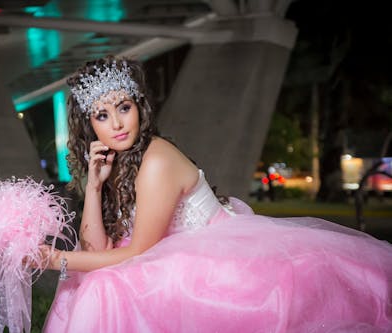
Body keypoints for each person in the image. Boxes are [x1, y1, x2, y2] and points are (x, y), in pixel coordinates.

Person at [37, 55, 392, 332]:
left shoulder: (156, 158)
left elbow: (135, 253)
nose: (116, 124)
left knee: (105, 288)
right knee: (98, 280)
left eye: (124, 108)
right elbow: (95, 249)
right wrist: (96, 187)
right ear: (90, 125)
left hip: (219, 263)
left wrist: (57, 260)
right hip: (171, 258)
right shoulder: (119, 162)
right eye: (102, 115)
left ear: (138, 108)